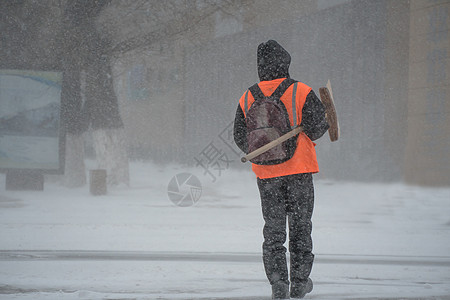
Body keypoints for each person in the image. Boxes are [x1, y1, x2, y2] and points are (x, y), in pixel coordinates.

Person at [233, 40, 329, 299]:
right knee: (300, 227)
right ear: (285, 63)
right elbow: (318, 128)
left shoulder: (247, 96)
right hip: (299, 171)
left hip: (266, 176)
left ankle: (278, 284)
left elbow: (240, 137)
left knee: (274, 231)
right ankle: (299, 282)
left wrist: (265, 153)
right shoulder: (300, 91)